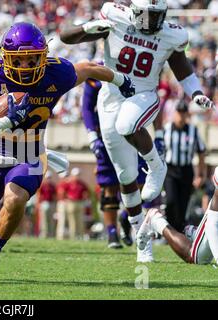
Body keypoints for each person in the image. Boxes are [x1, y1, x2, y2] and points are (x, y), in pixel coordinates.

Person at [0, 22, 135, 284]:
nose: (27, 67)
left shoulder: (56, 73)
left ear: (43, 56)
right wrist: (5, 121)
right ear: (6, 58)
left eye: (32, 59)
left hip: (31, 151)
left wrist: (121, 80)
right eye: (20, 60)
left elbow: (87, 69)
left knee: (15, 198)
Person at [60, 0, 215, 262]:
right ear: (134, 11)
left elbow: (180, 66)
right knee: (126, 177)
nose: (151, 22)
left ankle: (156, 165)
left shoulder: (171, 34)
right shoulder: (115, 17)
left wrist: (196, 92)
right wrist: (88, 26)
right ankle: (141, 236)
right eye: (146, 15)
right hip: (110, 99)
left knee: (127, 124)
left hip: (144, 95)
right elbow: (66, 36)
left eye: (156, 16)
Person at [81, 75, 163, 251]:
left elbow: (152, 101)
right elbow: (87, 107)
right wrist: (92, 136)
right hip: (105, 134)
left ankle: (126, 217)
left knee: (140, 183)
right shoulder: (97, 72)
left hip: (134, 134)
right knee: (109, 185)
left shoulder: (135, 70)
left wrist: (160, 133)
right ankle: (112, 232)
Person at [137, 167, 218, 265]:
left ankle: (195, 233)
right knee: (197, 258)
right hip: (214, 218)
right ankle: (156, 220)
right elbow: (213, 221)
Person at [163, 100, 207, 232]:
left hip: (186, 170)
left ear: (187, 115)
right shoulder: (166, 129)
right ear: (175, 113)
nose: (181, 116)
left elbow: (201, 152)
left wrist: (200, 175)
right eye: (179, 113)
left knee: (183, 204)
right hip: (170, 170)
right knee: (170, 201)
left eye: (184, 113)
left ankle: (178, 232)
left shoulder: (193, 130)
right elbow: (159, 150)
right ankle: (170, 230)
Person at [56, 168, 90, 240]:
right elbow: (62, 192)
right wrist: (66, 198)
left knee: (80, 221)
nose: (77, 176)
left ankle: (80, 236)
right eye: (76, 175)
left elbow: (87, 192)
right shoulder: (69, 183)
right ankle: (73, 236)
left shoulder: (81, 183)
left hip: (80, 203)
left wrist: (85, 199)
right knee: (72, 221)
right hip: (71, 203)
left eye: (78, 175)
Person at [36, 171, 57, 238]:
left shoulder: (53, 186)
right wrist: (38, 204)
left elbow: (55, 196)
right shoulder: (42, 185)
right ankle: (44, 234)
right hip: (44, 203)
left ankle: (51, 234)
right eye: (48, 178)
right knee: (44, 220)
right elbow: (39, 195)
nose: (49, 179)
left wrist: (55, 204)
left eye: (50, 177)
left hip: (51, 203)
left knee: (51, 220)